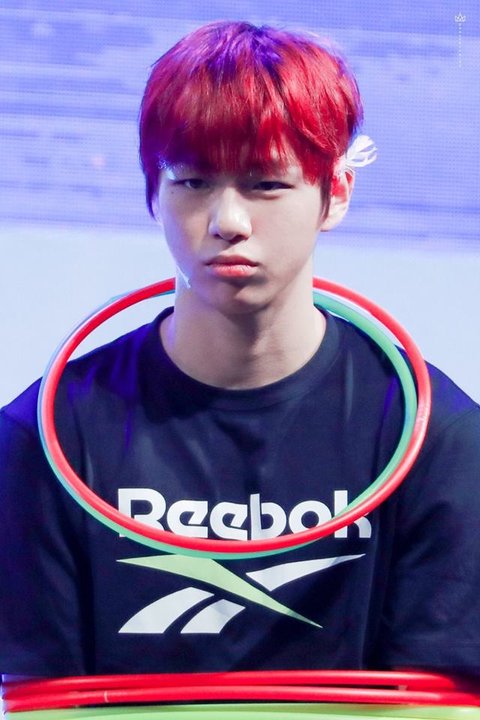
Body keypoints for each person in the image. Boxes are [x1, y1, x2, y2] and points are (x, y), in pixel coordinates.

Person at [1, 20, 480, 682]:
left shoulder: (436, 436)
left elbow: (435, 702)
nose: (228, 221)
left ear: (336, 193)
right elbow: (44, 699)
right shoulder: (44, 435)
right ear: (152, 194)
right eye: (193, 182)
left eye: (266, 183)